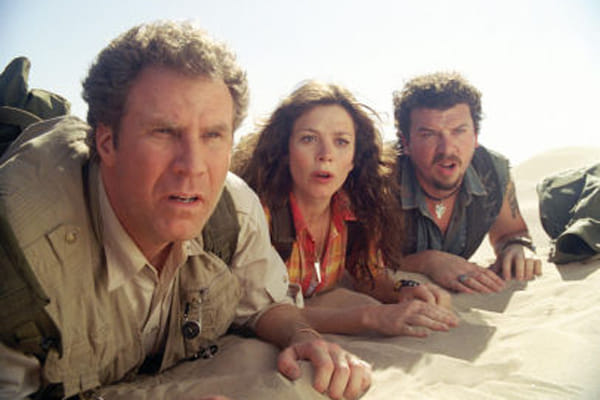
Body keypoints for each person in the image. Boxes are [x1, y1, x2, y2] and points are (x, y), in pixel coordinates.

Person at [0, 22, 372, 400]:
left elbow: (266, 304)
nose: (193, 167)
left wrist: (303, 336)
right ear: (108, 142)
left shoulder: (233, 210)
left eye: (213, 136)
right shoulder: (17, 251)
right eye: (164, 132)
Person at [232, 80, 458, 337]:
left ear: (353, 159)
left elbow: (368, 276)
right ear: (285, 151)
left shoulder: (355, 211)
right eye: (308, 139)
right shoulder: (258, 215)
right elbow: (262, 314)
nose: (325, 154)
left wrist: (404, 289)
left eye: (341, 142)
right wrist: (370, 317)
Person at [389, 71, 542, 293]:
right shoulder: (378, 178)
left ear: (476, 136)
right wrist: (426, 262)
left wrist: (517, 247)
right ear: (405, 142)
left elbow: (511, 233)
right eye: (429, 134)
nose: (447, 149)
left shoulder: (491, 171)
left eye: (459, 131)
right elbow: (351, 265)